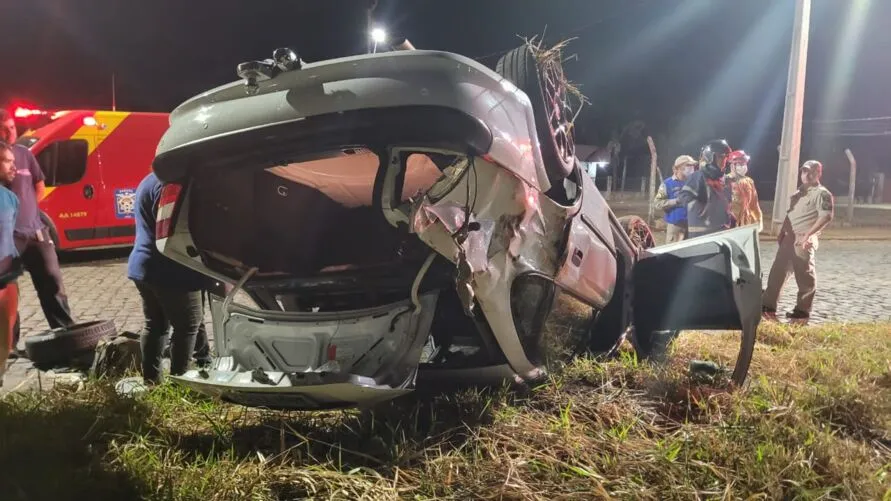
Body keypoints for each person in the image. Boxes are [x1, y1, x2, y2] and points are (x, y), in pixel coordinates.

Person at [127, 172, 211, 384]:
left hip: (143, 264)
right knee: (188, 325)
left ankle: (152, 382)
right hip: (171, 268)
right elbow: (179, 230)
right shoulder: (174, 183)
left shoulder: (149, 180)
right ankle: (180, 383)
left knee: (155, 325)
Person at [0, 110, 75, 333]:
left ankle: (66, 334)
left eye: (12, 127)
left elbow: (39, 185)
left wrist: (28, 209)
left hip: (35, 233)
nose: (9, 132)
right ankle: (8, 344)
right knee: (6, 292)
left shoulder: (24, 154)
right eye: (4, 128)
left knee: (52, 283)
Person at [762, 160, 834, 324]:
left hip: (803, 239)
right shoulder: (798, 194)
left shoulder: (822, 193)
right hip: (789, 238)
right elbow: (791, 214)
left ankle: (802, 310)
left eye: (811, 172)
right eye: (804, 172)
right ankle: (767, 305)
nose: (806, 175)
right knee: (777, 272)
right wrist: (782, 232)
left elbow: (826, 216)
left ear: (818, 174)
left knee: (805, 276)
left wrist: (809, 235)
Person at [0, 142, 24, 386]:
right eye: (7, 161)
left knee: (4, 337)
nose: (14, 167)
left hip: (7, 278)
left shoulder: (11, 198)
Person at [677, 139, 734, 238]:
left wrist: (730, 217)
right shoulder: (698, 176)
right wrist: (703, 210)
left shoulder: (723, 180)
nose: (724, 161)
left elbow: (724, 204)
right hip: (702, 235)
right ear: (710, 157)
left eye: (726, 158)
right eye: (721, 157)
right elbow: (684, 197)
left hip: (720, 232)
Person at [653, 155, 696, 242]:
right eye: (688, 165)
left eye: (692, 166)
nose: (691, 168)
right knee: (673, 254)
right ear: (678, 168)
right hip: (676, 227)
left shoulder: (694, 183)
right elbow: (657, 203)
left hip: (692, 226)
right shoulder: (667, 184)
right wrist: (676, 201)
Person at [726, 150, 763, 229]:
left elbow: (754, 204)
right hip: (730, 224)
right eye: (740, 164)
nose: (743, 167)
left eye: (744, 164)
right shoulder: (726, 181)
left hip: (745, 223)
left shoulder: (749, 182)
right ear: (732, 166)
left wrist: (758, 220)